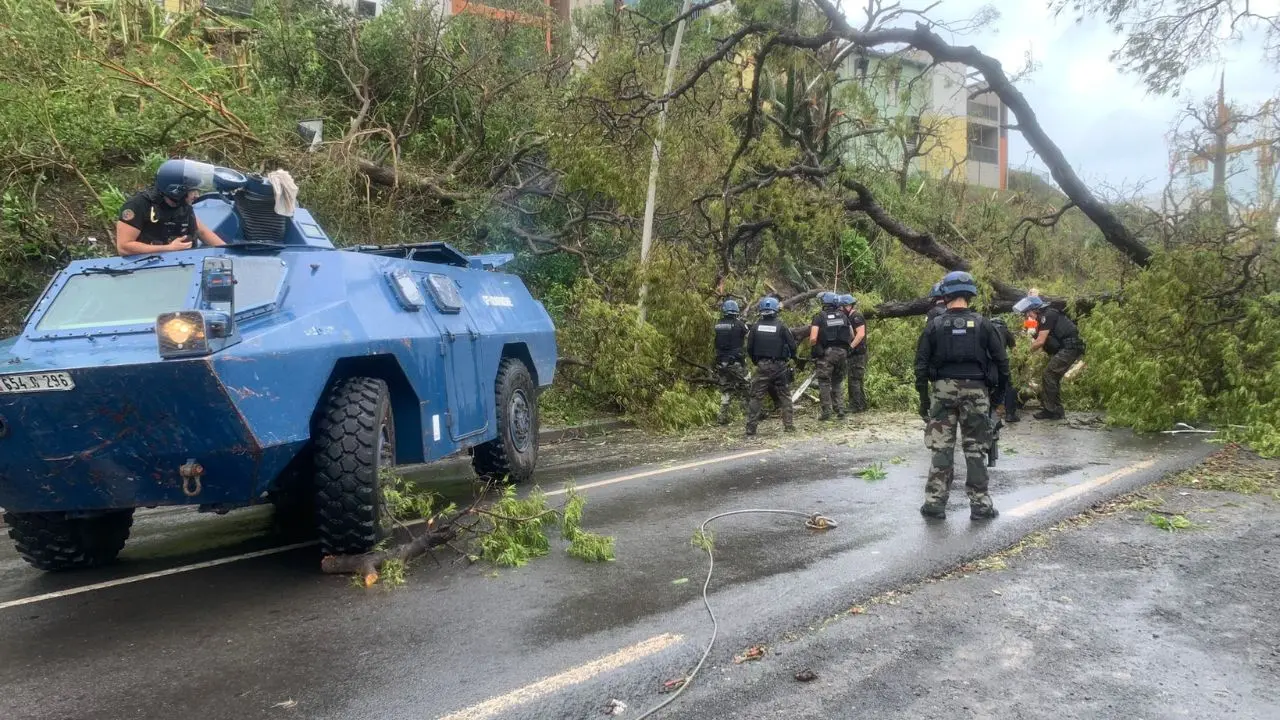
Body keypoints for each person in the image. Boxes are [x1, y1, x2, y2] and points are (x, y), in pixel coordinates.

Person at [914, 271, 1009, 521]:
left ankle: (935, 504)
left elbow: (921, 366)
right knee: (976, 449)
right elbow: (1002, 364)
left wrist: (924, 400)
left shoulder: (934, 325)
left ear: (945, 295)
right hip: (977, 392)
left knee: (941, 448)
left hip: (943, 391)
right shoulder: (984, 324)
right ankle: (981, 506)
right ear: (970, 295)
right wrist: (997, 399)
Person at [116, 160, 226, 256]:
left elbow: (201, 231)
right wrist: (169, 249)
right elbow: (124, 247)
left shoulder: (182, 204)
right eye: (192, 191)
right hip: (145, 268)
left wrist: (227, 251)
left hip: (182, 264)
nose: (197, 195)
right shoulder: (138, 205)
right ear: (176, 190)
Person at [1013, 295, 1085, 420]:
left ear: (1034, 310)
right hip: (1065, 348)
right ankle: (1056, 410)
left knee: (1049, 374)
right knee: (1053, 377)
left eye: (1027, 313)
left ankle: (1051, 410)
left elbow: (1040, 341)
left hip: (1069, 348)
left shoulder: (1048, 315)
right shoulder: (1042, 318)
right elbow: (1035, 335)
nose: (1027, 316)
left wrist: (1024, 353)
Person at [745, 296, 796, 437]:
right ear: (775, 311)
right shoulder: (782, 326)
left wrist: (757, 361)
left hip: (762, 365)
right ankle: (789, 425)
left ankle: (751, 428)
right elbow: (792, 345)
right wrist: (790, 358)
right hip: (780, 365)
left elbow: (749, 347)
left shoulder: (755, 327)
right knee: (785, 395)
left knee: (756, 396)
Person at [809, 292, 851, 421]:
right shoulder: (844, 316)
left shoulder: (819, 317)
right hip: (842, 353)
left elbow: (813, 338)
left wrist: (815, 348)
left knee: (824, 382)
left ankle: (827, 411)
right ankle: (840, 409)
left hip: (827, 353)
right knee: (837, 381)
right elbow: (852, 335)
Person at [712, 299, 750, 426]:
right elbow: (748, 335)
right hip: (736, 362)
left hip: (721, 363)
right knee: (746, 386)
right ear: (736, 312)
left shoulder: (718, 325)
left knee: (726, 389)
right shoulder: (739, 324)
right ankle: (750, 413)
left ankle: (722, 417)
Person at [841, 293, 869, 414]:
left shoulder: (856, 317)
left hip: (858, 353)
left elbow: (861, 334)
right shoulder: (850, 317)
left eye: (842, 307)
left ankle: (856, 405)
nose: (841, 309)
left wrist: (851, 347)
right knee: (856, 379)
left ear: (848, 306)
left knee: (854, 379)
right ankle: (861, 403)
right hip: (856, 353)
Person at [989, 316, 1020, 422]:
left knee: (987, 385)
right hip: (1001, 361)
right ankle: (1010, 414)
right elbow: (1015, 351)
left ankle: (990, 412)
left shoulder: (985, 330)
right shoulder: (1006, 331)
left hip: (987, 363)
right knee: (1009, 385)